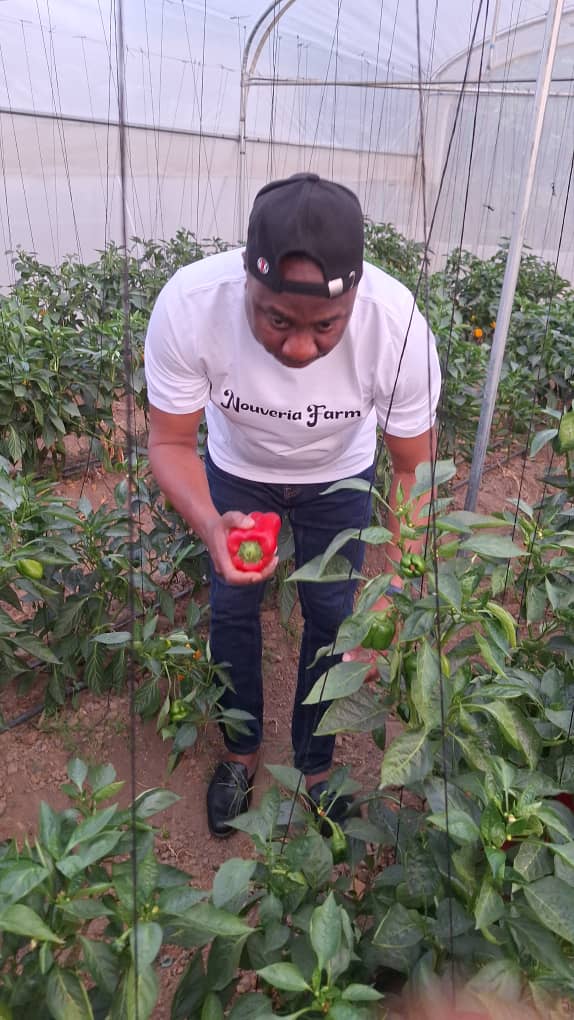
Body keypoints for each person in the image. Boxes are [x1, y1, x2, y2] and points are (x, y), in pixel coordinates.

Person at [144, 172, 441, 837]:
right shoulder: (192, 305)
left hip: (338, 478)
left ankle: (315, 765)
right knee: (232, 607)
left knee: (335, 617)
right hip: (239, 472)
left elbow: (412, 469)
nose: (299, 347)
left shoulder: (397, 329)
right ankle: (241, 753)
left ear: (356, 297)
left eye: (325, 326)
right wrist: (209, 520)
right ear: (246, 281)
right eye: (276, 319)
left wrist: (395, 583)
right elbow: (169, 442)